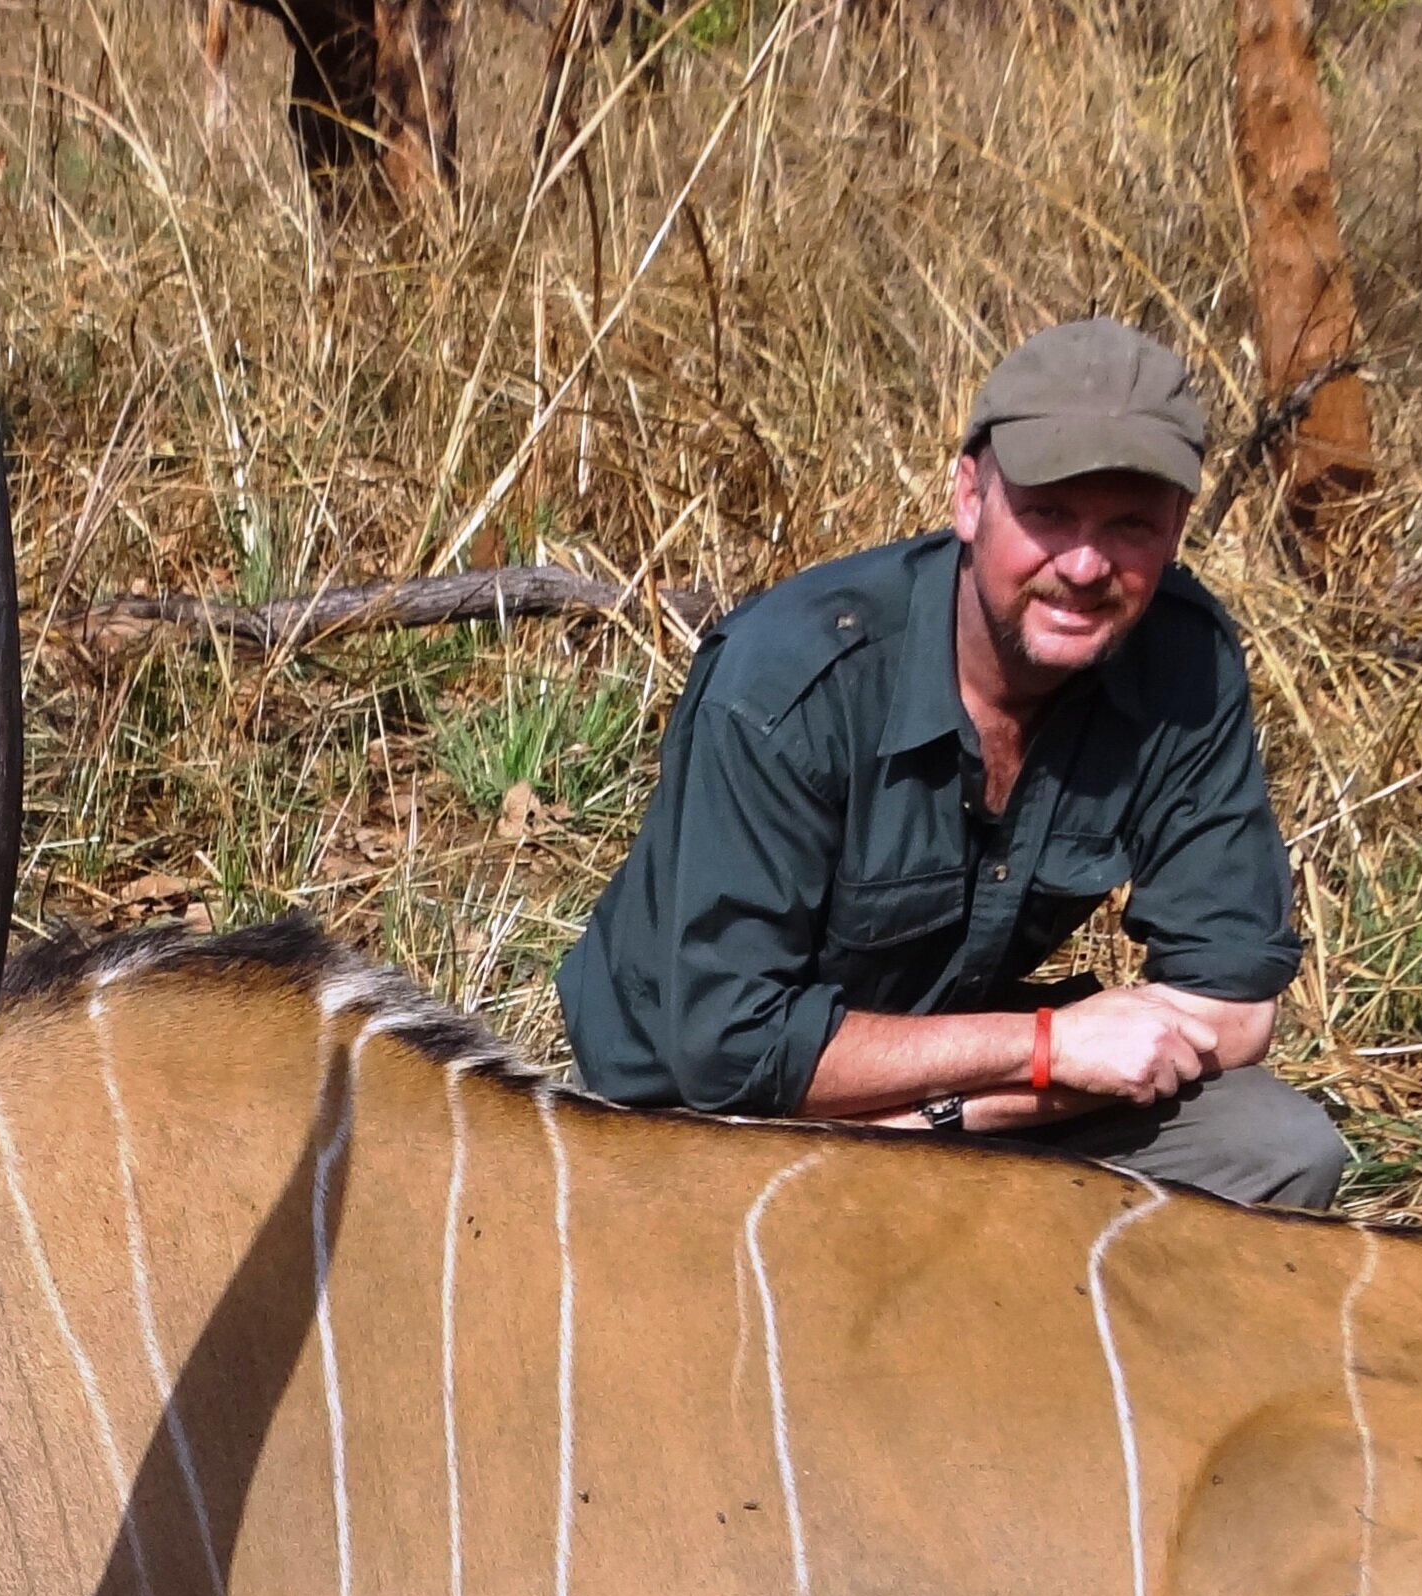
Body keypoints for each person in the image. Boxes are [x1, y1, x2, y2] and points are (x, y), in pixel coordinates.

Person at [553, 319, 1348, 1209]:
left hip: (949, 1095)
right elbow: (731, 1051)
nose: (1084, 566)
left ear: (1177, 528)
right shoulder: (789, 680)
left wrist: (947, 1115)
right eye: (1047, 514)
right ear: (969, 496)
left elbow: (1233, 1008)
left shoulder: (1184, 659)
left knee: (1279, 1149)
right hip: (697, 1122)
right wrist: (1043, 1047)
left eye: (1128, 525)